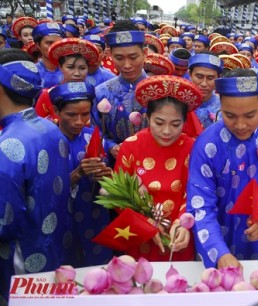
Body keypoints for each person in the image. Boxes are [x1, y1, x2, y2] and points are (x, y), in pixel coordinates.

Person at [187, 68, 258, 269]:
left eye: (249, 115)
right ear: (220, 105)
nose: (240, 125)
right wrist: (219, 253)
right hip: (218, 232)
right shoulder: (206, 145)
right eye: (229, 115)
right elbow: (201, 205)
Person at [0, 49, 73, 304]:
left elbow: (5, 222)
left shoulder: (8, 146)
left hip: (20, 264)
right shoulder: (50, 128)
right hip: (53, 252)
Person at [114, 75, 203, 261]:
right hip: (140, 237)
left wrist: (182, 223)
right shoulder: (130, 146)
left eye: (176, 124)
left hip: (178, 235)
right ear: (147, 117)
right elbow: (118, 196)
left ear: (185, 122)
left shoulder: (193, 148)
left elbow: (196, 191)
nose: (167, 131)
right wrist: (145, 222)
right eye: (159, 123)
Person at [50, 82, 117, 267]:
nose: (79, 121)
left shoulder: (93, 137)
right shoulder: (47, 141)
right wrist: (79, 173)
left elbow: (107, 183)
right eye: (71, 115)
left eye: (85, 114)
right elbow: (44, 190)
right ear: (56, 111)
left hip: (93, 216)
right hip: (62, 220)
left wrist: (105, 176)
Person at [92, 21, 148, 144]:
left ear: (144, 53)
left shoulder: (158, 91)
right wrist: (110, 147)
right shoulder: (101, 93)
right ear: (110, 55)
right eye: (119, 58)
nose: (127, 65)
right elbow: (93, 131)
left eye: (133, 57)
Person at [35, 37, 100, 123]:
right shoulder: (47, 95)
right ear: (60, 67)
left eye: (82, 68)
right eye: (70, 67)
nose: (77, 73)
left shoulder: (97, 94)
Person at [188, 52, 224, 129]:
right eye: (199, 77)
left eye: (210, 78)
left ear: (218, 78)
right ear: (190, 74)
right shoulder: (179, 104)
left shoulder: (224, 108)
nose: (204, 84)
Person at [32, 22, 66, 88]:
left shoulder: (71, 71)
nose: (54, 47)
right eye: (49, 43)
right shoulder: (32, 72)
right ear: (37, 45)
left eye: (58, 43)